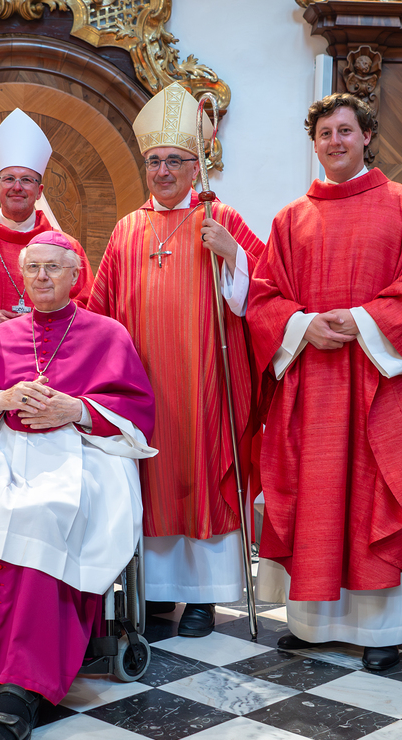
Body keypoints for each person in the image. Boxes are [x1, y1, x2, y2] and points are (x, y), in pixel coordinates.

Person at [0, 231, 156, 740]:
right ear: (23, 275)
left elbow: (137, 413)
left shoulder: (108, 334)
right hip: (7, 455)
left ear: (75, 276)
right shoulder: (1, 337)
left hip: (82, 457)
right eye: (33, 268)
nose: (42, 277)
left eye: (53, 268)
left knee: (46, 511)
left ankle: (22, 685)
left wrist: (78, 409)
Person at [246, 93, 402, 671]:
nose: (334, 141)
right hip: (311, 384)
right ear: (314, 144)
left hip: (380, 385)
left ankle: (382, 628)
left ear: (366, 136)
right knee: (312, 497)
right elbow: (264, 298)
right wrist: (302, 325)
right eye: (324, 133)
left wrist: (362, 320)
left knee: (374, 494)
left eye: (344, 131)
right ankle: (312, 625)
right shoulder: (291, 218)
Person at [88, 82, 265, 637]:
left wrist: (233, 255)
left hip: (204, 382)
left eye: (174, 161)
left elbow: (267, 290)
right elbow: (99, 308)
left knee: (203, 473)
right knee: (150, 477)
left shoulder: (221, 217)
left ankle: (206, 598)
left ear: (196, 167)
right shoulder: (126, 228)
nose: (163, 171)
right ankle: (158, 591)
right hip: (142, 385)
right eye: (154, 161)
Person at [0, 108, 93, 328]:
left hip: (50, 346)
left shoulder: (67, 247)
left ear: (40, 191)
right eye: (9, 179)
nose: (17, 187)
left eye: (26, 180)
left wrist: (45, 323)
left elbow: (86, 306)